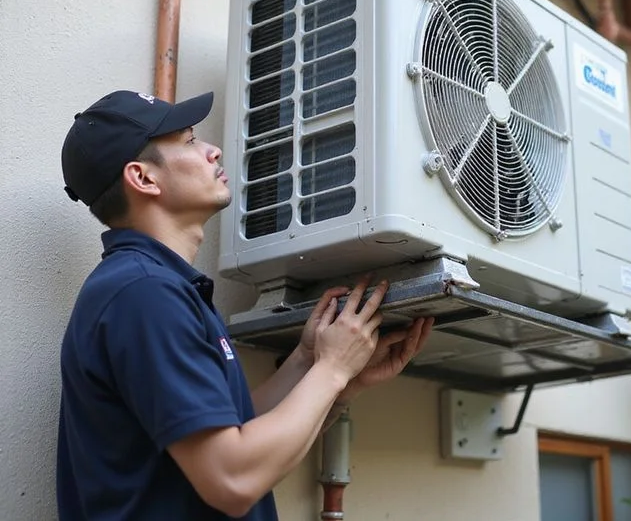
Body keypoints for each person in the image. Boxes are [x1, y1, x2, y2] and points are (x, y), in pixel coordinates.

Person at [56, 89, 433, 520]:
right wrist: (331, 370)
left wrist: (316, 365)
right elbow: (231, 478)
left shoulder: (153, 286)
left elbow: (238, 434)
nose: (213, 151)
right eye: (190, 141)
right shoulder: (143, 294)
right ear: (144, 178)